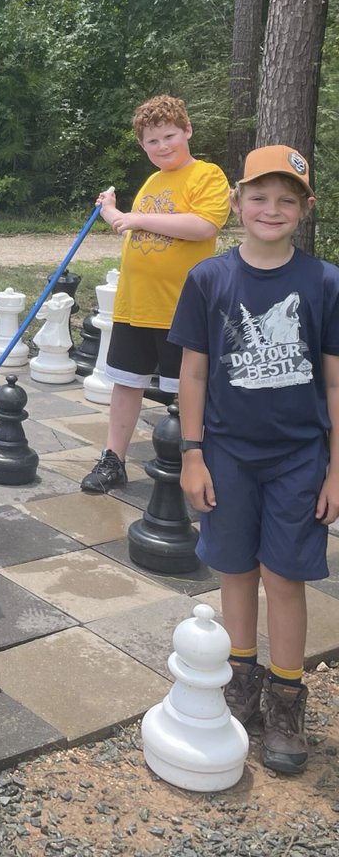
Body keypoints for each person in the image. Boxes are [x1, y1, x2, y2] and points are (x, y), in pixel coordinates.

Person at [170, 145, 339, 773]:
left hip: (300, 459)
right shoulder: (209, 279)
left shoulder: (325, 283)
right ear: (237, 202)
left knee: (284, 576)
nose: (272, 209)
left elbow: (334, 382)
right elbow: (192, 374)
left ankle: (287, 698)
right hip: (225, 455)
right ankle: (240, 682)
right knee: (236, 570)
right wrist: (192, 454)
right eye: (259, 197)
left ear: (305, 207)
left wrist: (336, 468)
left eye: (286, 199)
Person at [80, 94, 229, 493]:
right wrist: (111, 211)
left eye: (169, 136)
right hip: (135, 304)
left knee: (189, 390)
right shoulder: (152, 181)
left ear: (187, 131)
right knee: (126, 383)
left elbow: (204, 226)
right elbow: (133, 230)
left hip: (181, 308)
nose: (162, 146)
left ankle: (199, 464)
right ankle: (113, 459)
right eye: (152, 141)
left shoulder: (207, 175)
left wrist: (137, 218)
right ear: (142, 145)